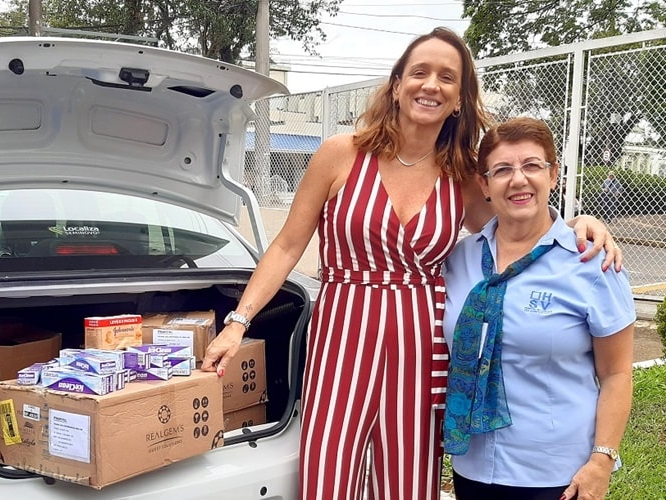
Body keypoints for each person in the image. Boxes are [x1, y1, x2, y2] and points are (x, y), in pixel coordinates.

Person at [202, 28, 619, 500]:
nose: (431, 84)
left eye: (447, 77)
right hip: (342, 336)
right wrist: (239, 322)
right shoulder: (341, 154)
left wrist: (581, 223)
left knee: (407, 482)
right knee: (327, 477)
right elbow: (286, 245)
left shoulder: (461, 175)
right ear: (397, 85)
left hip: (421, 346)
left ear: (459, 99)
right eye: (419, 72)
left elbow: (521, 221)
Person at [442, 117, 634, 500]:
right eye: (502, 170)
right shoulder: (459, 259)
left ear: (553, 175)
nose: (518, 180)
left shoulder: (593, 264)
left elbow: (616, 373)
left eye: (532, 165)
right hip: (473, 467)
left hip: (556, 475)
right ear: (484, 184)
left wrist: (601, 461)